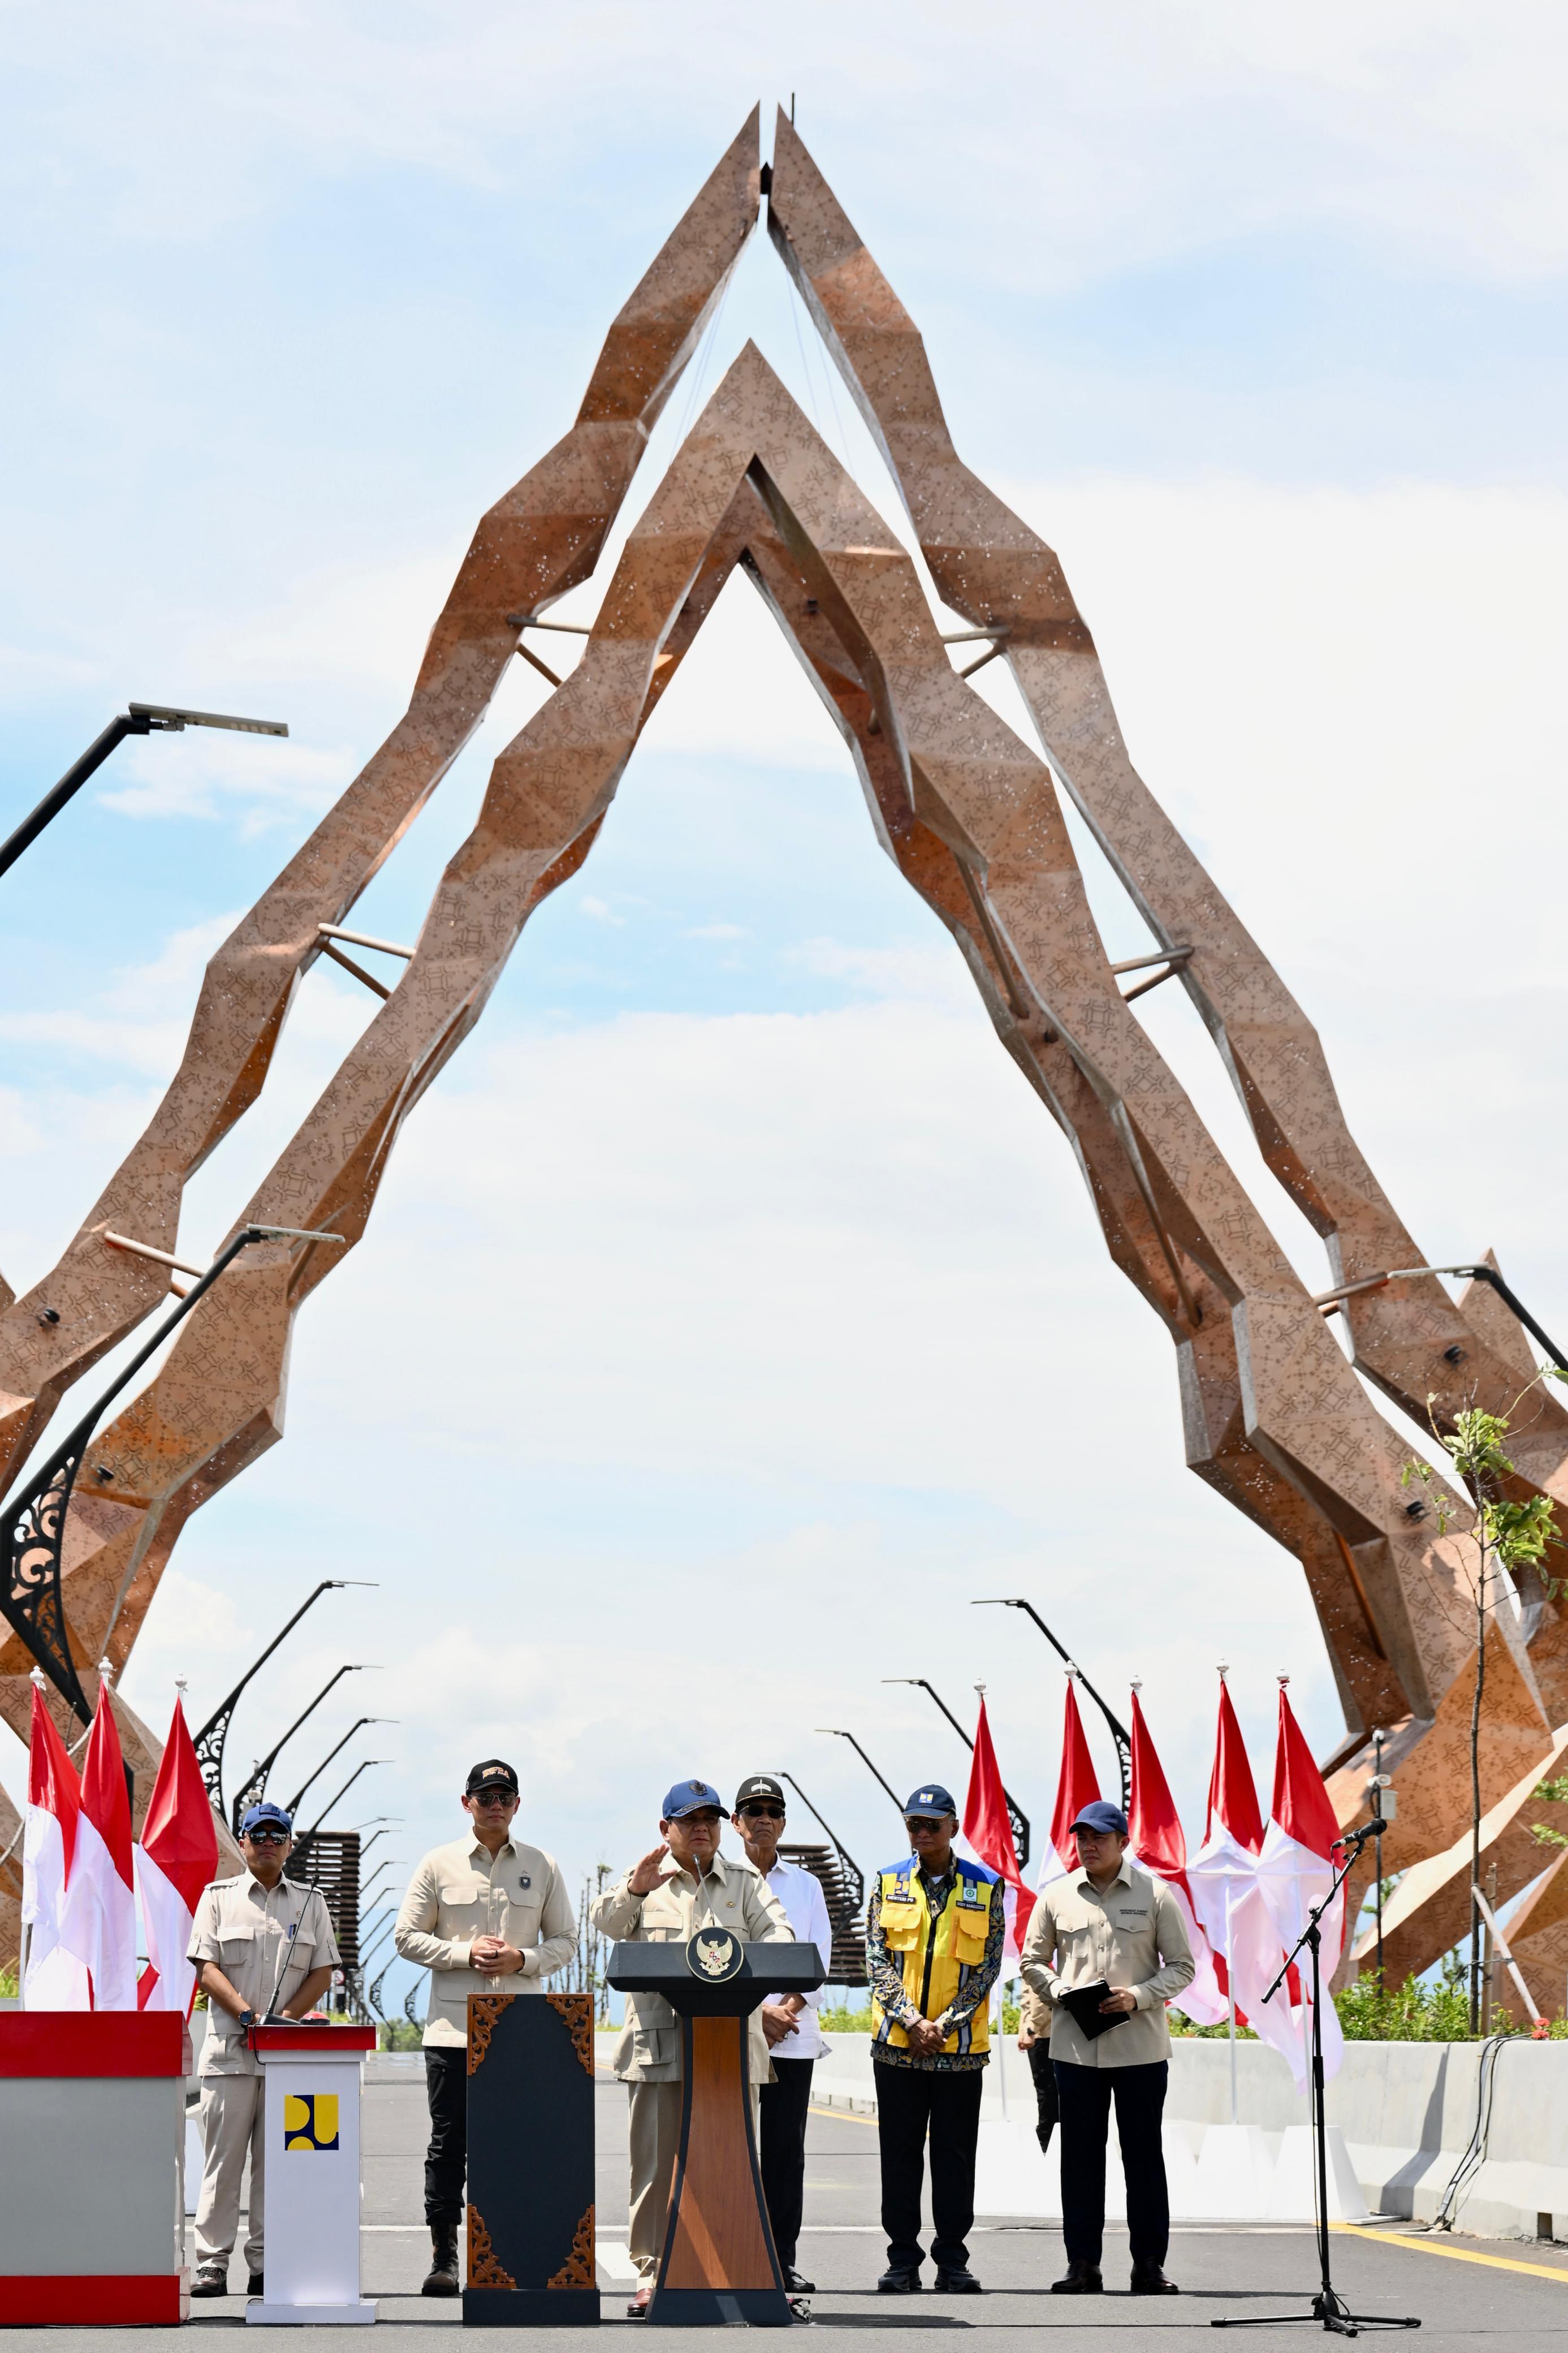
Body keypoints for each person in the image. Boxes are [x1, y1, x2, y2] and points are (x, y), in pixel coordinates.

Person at [591, 1778, 792, 2316]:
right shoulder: (646, 1881)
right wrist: (634, 1889)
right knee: (655, 2168)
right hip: (658, 2048)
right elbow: (605, 1924)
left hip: (729, 2051)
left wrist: (766, 1961)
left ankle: (736, 2266)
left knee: (733, 2164)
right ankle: (651, 2273)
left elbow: (780, 1937)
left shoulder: (745, 1882)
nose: (701, 1828)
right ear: (666, 1829)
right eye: (689, 1820)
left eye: (710, 1819)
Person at [394, 1759, 576, 2297]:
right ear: (466, 1803)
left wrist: (522, 1959)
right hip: (452, 2032)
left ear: (517, 1804)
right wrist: (462, 1952)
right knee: (449, 2145)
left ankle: (507, 2251)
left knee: (515, 2146)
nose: (494, 1804)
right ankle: (444, 2256)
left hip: (520, 2031)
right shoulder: (438, 1863)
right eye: (485, 1795)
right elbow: (406, 1937)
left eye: (504, 1796)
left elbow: (565, 1941)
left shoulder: (542, 1865)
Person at [1020, 1797, 1195, 2296]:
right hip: (1074, 2051)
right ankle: (1082, 2265)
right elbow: (1032, 1961)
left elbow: (1182, 1966)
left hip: (1140, 2050)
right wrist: (1059, 1993)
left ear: (1123, 1842)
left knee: (1143, 2158)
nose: (1088, 1845)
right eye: (1081, 1837)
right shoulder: (1055, 1897)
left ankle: (1148, 2266)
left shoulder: (1158, 1895)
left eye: (1099, 1837)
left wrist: (1137, 1996)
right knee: (1078, 2159)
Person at [186, 1801, 340, 2299]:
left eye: (279, 1835)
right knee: (221, 2164)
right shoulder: (217, 1897)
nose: (269, 1842)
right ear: (244, 1843)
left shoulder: (310, 1902)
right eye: (260, 1835)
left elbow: (323, 1970)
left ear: (290, 1845)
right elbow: (206, 1967)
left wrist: (286, 2023)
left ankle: (267, 2262)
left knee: (277, 2166)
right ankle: (211, 2263)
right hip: (230, 2054)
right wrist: (250, 2017)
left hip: (286, 2058)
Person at [866, 1783, 1003, 2296]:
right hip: (898, 2049)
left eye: (931, 1825)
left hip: (959, 2052)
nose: (921, 1834)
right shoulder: (886, 1881)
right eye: (913, 1825)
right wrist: (911, 2020)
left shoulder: (986, 1885)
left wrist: (943, 2024)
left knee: (953, 2158)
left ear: (954, 1828)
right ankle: (902, 2258)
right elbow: (877, 1958)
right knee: (898, 2157)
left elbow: (988, 1964)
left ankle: (952, 2259)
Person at [730, 1774, 834, 2295]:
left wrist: (784, 2010)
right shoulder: (718, 1880)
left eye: (772, 1810)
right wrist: (756, 2015)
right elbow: (714, 1961)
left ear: (784, 1822)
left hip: (792, 2037)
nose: (763, 1819)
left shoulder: (806, 1885)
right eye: (752, 1811)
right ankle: (733, 2256)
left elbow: (817, 1959)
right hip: (733, 2036)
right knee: (731, 2149)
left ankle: (780, 2258)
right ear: (736, 1822)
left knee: (784, 2153)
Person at [1017, 1975, 1057, 2157]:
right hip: (1039, 2033)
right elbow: (1026, 2003)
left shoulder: (1038, 1964)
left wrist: (1030, 2030)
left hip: (1042, 2034)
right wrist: (1023, 2031)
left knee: (1046, 2088)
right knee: (1047, 2087)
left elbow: (1038, 2001)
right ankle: (1048, 2132)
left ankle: (1045, 2135)